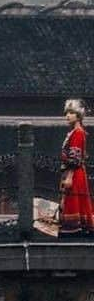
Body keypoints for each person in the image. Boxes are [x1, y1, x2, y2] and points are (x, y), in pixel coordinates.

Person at [59, 98, 94, 237]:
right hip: (74, 171)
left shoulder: (78, 133)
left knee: (73, 202)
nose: (67, 116)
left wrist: (69, 177)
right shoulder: (75, 132)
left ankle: (75, 231)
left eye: (71, 113)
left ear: (78, 115)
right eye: (66, 113)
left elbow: (75, 158)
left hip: (75, 173)